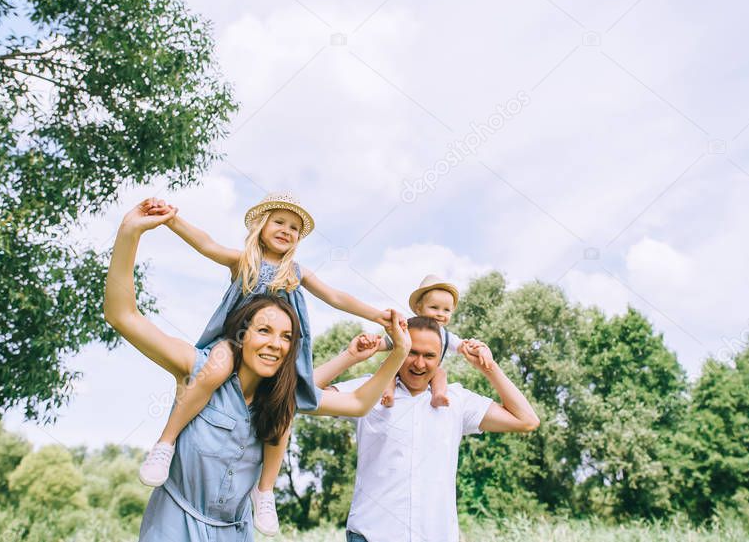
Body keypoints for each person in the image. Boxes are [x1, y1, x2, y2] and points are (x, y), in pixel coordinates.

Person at [103, 202, 411, 541]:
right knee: (217, 366)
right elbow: (204, 247)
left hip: (235, 529)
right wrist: (168, 221)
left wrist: (385, 328)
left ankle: (265, 492)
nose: (286, 231)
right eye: (279, 222)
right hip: (226, 348)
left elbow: (336, 299)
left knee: (285, 404)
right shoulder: (244, 263)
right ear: (261, 226)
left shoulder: (295, 273)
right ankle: (166, 442)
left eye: (294, 228)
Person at [317, 316, 541, 542]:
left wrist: (488, 367)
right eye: (412, 352)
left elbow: (526, 420)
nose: (419, 363)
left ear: (440, 359)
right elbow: (300, 396)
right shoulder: (368, 390)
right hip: (371, 535)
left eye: (429, 355)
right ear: (399, 350)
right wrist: (350, 357)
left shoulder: (458, 400)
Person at [379, 274, 494, 408]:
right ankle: (388, 393)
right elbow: (386, 343)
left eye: (446, 310)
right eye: (434, 307)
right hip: (400, 367)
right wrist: (373, 344)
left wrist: (479, 349)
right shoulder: (408, 328)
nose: (440, 313)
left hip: (428, 373)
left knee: (440, 372)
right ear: (419, 308)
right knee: (386, 365)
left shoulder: (445, 336)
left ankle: (438, 395)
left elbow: (463, 346)